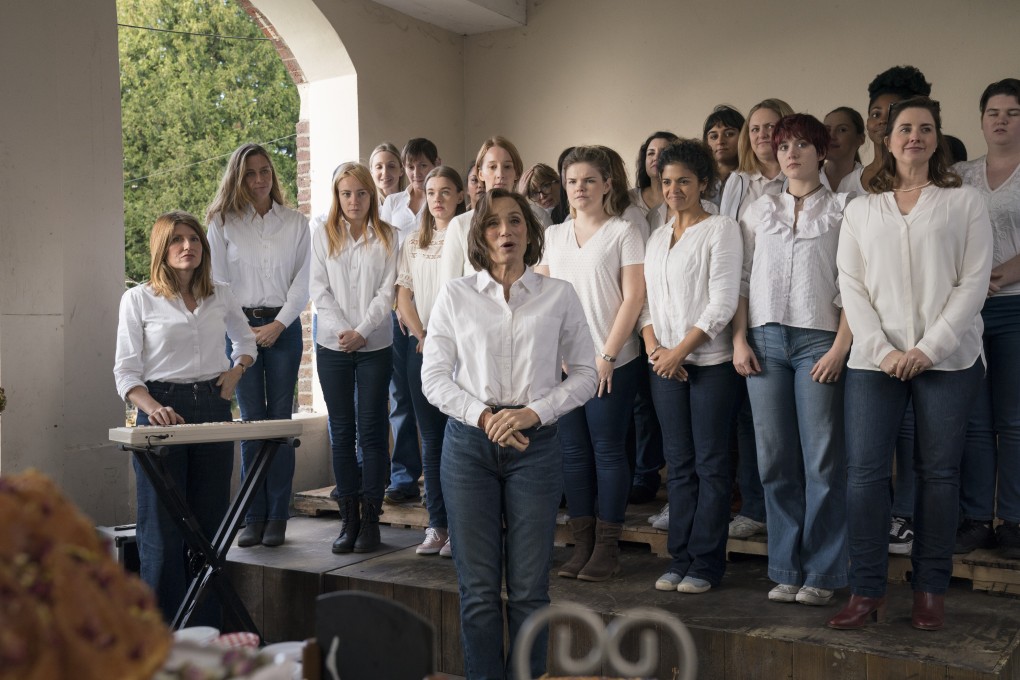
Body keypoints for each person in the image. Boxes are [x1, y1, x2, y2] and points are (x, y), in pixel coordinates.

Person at [829, 97, 992, 631]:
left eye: (925, 128)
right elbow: (851, 288)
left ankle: (930, 590)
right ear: (888, 138)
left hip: (949, 360)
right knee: (864, 477)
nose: (914, 136)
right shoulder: (860, 208)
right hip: (875, 364)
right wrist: (885, 351)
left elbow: (973, 283)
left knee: (939, 476)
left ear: (937, 138)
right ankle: (868, 589)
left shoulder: (963, 201)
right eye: (904, 128)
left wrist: (928, 348)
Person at [421, 189, 597, 679]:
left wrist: (533, 413)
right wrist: (484, 417)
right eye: (494, 223)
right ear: (479, 235)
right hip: (469, 447)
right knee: (477, 592)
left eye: (516, 221)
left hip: (535, 448)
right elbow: (433, 378)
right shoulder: (455, 295)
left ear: (529, 232)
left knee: (529, 591)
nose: (506, 231)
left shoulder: (558, 294)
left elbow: (585, 373)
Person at [114, 211, 256, 624]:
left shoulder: (221, 294)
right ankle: (161, 641)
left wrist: (237, 370)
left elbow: (245, 340)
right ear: (162, 247)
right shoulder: (138, 299)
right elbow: (125, 372)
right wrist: (152, 407)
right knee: (160, 531)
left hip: (213, 407)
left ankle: (207, 635)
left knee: (211, 529)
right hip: (161, 412)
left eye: (193, 239)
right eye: (177, 239)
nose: (187, 246)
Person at [733, 114, 852, 606]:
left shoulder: (846, 209)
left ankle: (822, 573)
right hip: (763, 342)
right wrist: (739, 339)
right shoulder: (757, 210)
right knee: (774, 458)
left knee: (822, 459)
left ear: (820, 151)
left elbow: (855, 285)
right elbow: (740, 279)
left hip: (818, 341)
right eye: (784, 146)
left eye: (803, 144)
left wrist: (841, 347)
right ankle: (785, 567)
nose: (792, 153)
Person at [536, 146, 645, 582]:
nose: (579, 188)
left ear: (607, 185)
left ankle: (607, 548)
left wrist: (607, 355)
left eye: (588, 180)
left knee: (607, 450)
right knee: (573, 453)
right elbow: (543, 296)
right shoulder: (554, 235)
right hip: (565, 364)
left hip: (613, 359)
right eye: (572, 181)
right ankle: (581, 546)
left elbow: (634, 297)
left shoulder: (624, 231)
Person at [640, 140, 742, 595]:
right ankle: (679, 556)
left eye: (684, 180)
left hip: (710, 364)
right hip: (664, 366)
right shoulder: (657, 236)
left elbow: (722, 303)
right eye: (666, 181)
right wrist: (657, 351)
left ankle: (705, 563)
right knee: (678, 466)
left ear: (703, 182)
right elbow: (645, 306)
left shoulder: (721, 229)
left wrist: (680, 351)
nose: (674, 189)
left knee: (712, 465)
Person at [206, 143, 310, 549]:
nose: (259, 179)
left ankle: (278, 517)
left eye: (265, 170)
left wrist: (280, 323)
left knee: (279, 424)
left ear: (273, 175)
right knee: (251, 425)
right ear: (238, 177)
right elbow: (217, 282)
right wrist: (247, 333)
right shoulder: (222, 223)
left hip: (284, 330)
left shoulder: (297, 223)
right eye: (250, 173)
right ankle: (254, 515)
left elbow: (304, 281)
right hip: (240, 327)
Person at [861, 65, 933, 556]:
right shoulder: (861, 183)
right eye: (881, 115)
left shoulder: (946, 186)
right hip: (870, 334)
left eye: (901, 116)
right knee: (866, 452)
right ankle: (873, 531)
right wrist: (873, 341)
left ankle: (905, 516)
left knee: (918, 438)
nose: (888, 123)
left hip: (927, 333)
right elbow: (854, 273)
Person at [311, 162, 398, 555]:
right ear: (337, 196)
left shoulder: (389, 236)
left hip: (375, 344)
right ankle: (348, 520)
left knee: (372, 431)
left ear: (371, 195)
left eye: (361, 193)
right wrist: (343, 330)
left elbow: (387, 292)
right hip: (333, 346)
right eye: (346, 193)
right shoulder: (322, 235)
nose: (354, 200)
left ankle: (371, 522)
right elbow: (318, 288)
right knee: (343, 433)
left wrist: (362, 329)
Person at [719, 98, 793, 542]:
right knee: (749, 418)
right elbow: (727, 239)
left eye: (773, 127)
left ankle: (788, 511)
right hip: (746, 302)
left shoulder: (802, 171)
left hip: (790, 308)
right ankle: (755, 505)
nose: (764, 136)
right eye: (757, 128)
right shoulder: (738, 182)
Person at [955, 78, 1020, 557]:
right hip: (971, 312)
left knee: (1014, 421)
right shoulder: (962, 174)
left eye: (1012, 112)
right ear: (981, 119)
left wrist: (1002, 273)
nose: (1001, 119)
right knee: (975, 421)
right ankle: (977, 517)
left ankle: (1014, 520)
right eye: (993, 111)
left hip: (1016, 306)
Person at [396, 165, 465, 557]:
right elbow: (402, 295)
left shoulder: (469, 235)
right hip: (420, 348)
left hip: (459, 348)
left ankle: (461, 528)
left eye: (445, 191)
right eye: (431, 191)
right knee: (432, 440)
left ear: (459, 196)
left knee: (459, 439)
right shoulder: (413, 240)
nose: (437, 198)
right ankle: (437, 525)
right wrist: (422, 335)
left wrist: (442, 337)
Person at [381, 138, 441, 505]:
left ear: (436, 163)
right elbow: (388, 255)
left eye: (423, 165)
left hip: (434, 308)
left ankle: (442, 475)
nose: (416, 173)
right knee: (401, 395)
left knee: (432, 396)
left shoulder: (443, 201)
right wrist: (397, 307)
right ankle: (404, 477)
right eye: (411, 167)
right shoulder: (392, 203)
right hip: (402, 310)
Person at [439, 136, 550, 283]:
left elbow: (546, 277)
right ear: (480, 174)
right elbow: (448, 287)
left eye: (507, 167)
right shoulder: (460, 224)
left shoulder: (538, 218)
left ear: (517, 172)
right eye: (492, 167)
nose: (500, 174)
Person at [629, 131, 680, 220]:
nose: (656, 158)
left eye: (663, 152)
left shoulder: (683, 198)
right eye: (651, 153)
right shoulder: (630, 198)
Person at [703, 106, 746, 200]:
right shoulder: (699, 179)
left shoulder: (753, 179)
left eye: (729, 134)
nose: (720, 141)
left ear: (744, 137)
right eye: (714, 136)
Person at [822, 107, 867, 194]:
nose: (831, 136)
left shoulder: (871, 183)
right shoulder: (806, 180)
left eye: (842, 130)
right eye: (827, 130)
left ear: (860, 139)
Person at [370, 142, 405, 206]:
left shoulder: (413, 204)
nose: (385, 172)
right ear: (371, 172)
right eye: (379, 167)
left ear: (401, 170)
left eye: (391, 166)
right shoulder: (366, 207)